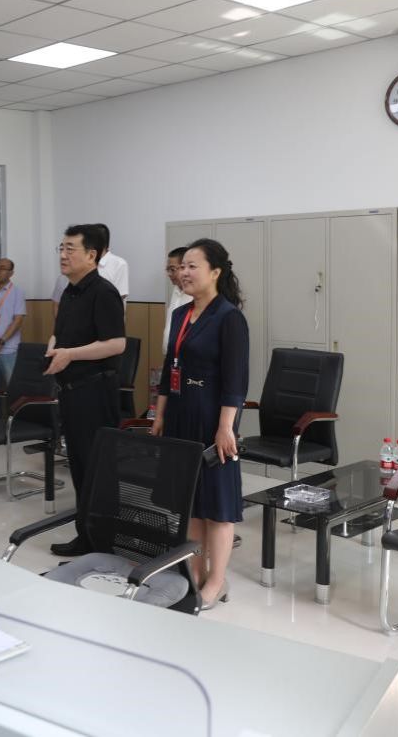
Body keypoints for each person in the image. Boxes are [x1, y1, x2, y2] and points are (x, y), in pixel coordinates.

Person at [151, 238, 249, 610]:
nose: (184, 272)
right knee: (190, 503)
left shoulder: (229, 317)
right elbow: (169, 371)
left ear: (215, 272)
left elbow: (235, 380)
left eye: (193, 266)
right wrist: (160, 414)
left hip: (212, 419)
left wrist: (226, 427)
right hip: (180, 415)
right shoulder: (181, 314)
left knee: (218, 505)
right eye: (182, 267)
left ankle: (217, 582)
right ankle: (194, 573)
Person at [46, 225, 126, 557]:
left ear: (91, 255)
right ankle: (87, 536)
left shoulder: (103, 292)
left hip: (95, 393)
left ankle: (103, 541)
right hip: (71, 392)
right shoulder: (70, 291)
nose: (63, 255)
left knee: (97, 468)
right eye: (61, 248)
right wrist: (54, 348)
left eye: (70, 249)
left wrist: (70, 355)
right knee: (79, 465)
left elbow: (117, 344)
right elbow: (60, 332)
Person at [0, 257, 27, 421]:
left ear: (11, 273)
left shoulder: (17, 292)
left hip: (9, 350)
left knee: (14, 389)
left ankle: (17, 423)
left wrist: (2, 341)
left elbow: (18, 320)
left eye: (2, 268)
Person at [162, 246, 192, 354]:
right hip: (170, 355)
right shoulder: (176, 289)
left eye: (172, 269)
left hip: (185, 356)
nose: (169, 274)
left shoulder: (194, 295)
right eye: (168, 270)